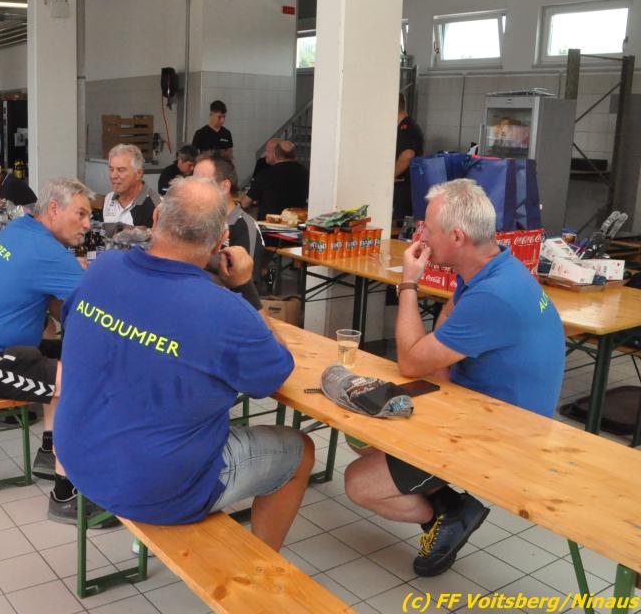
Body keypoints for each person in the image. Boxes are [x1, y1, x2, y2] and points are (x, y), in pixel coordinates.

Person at [56, 177, 314, 550]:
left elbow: (75, 324)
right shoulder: (227, 311)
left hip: (78, 460)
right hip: (159, 490)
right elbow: (275, 372)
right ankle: (265, 571)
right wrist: (245, 287)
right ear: (221, 240)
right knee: (300, 451)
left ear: (156, 217)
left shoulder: (103, 268)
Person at [344, 179, 565, 577]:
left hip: (504, 433)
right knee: (361, 435)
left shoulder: (494, 295)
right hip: (474, 404)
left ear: (458, 236)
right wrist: (431, 369)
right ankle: (453, 508)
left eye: (428, 228)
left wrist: (408, 282)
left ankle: (443, 518)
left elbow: (411, 361)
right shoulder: (494, 266)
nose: (420, 236)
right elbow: (441, 331)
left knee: (359, 484)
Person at [0, 178, 110, 525]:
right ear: (53, 209)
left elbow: (59, 300)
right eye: (80, 214)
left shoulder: (20, 230)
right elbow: (103, 306)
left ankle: (50, 450)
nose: (86, 224)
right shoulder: (45, 252)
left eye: (89, 216)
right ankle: (66, 495)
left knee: (65, 360)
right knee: (78, 382)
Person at [192, 151, 263, 262]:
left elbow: (245, 273)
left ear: (225, 186)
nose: (193, 188)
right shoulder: (193, 219)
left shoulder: (244, 227)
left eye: (202, 182)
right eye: (193, 182)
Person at [241, 140, 308, 219]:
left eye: (267, 151)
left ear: (275, 154)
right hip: (296, 222)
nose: (265, 154)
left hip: (270, 223)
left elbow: (245, 203)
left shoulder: (266, 174)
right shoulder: (305, 172)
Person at [101, 144, 160, 228]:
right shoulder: (108, 199)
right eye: (111, 169)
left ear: (138, 173)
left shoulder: (156, 205)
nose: (113, 176)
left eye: (121, 170)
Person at [393, 92, 424, 220]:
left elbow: (407, 155)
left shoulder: (407, 128)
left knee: (397, 225)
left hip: (404, 189)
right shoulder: (405, 126)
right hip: (406, 188)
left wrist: (389, 177)